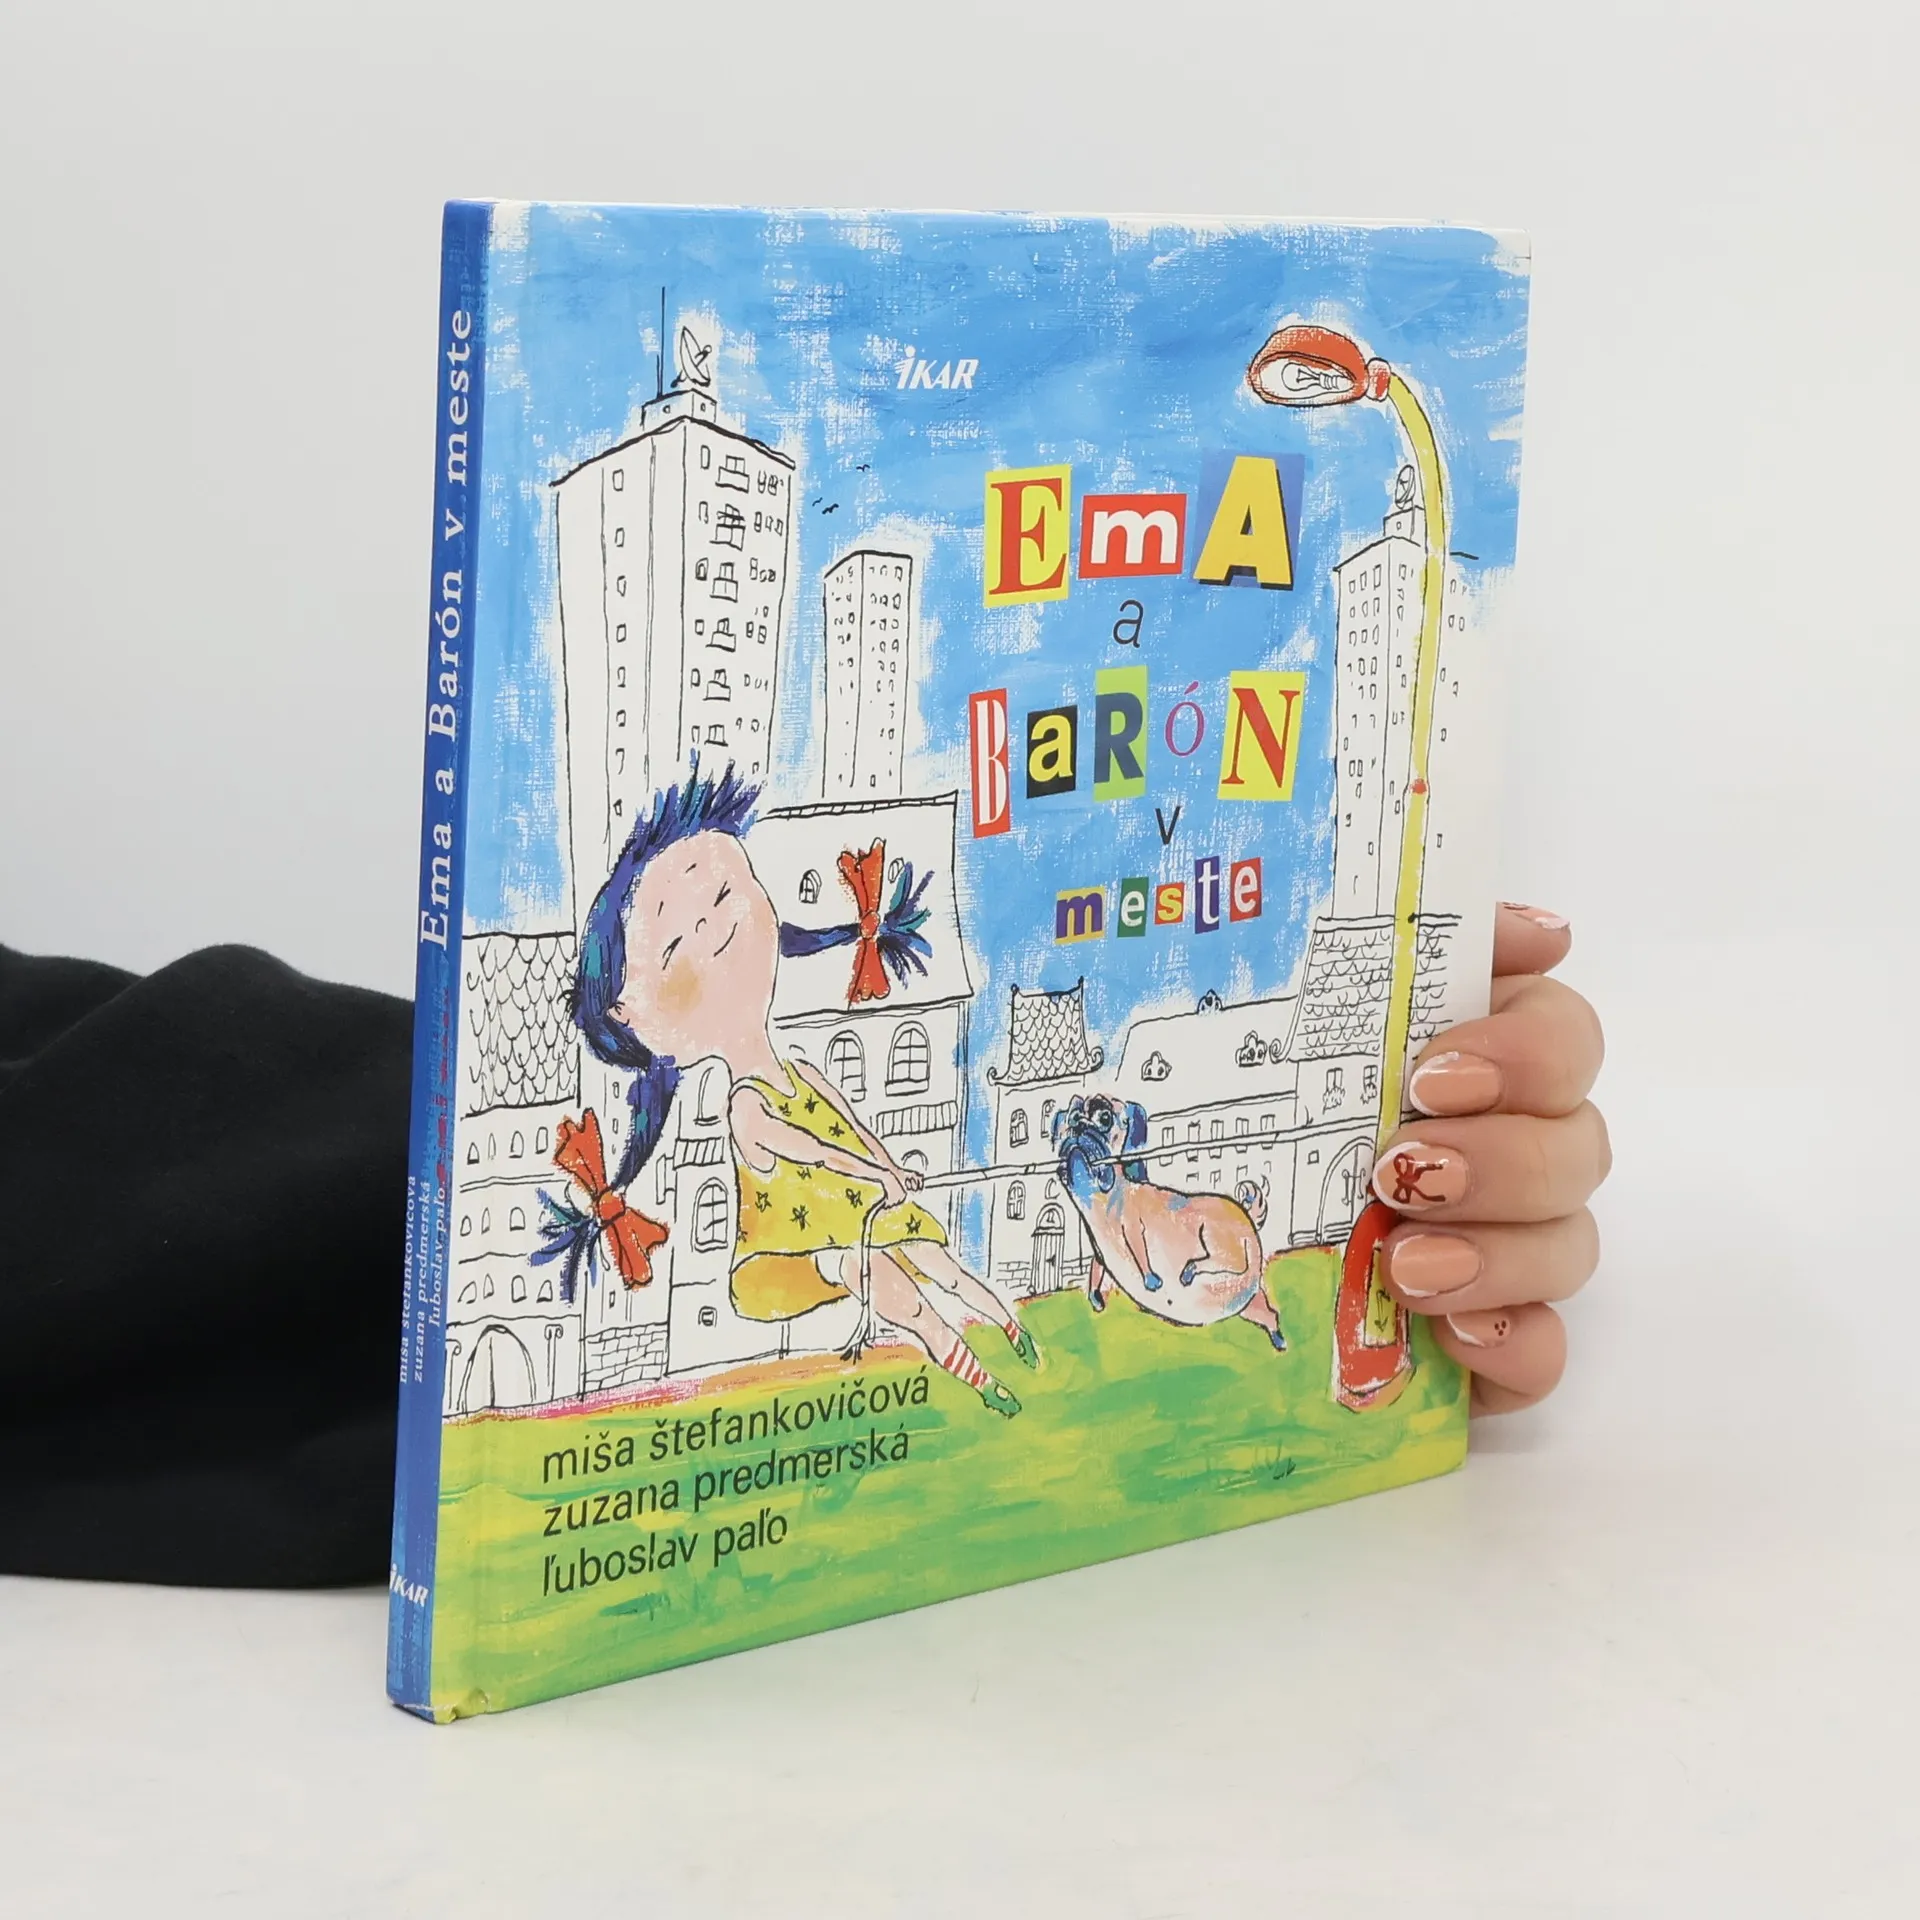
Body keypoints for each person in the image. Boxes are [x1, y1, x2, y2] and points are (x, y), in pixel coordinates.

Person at [0, 868, 1604, 1585]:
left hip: (826, 1223)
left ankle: (980, 1331)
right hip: (801, 1247)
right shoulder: (731, 1110)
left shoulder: (794, 1047)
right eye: (679, 928)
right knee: (917, 1286)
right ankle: (969, 1335)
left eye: (727, 900)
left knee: (942, 1280)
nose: (721, 920)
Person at [556, 763, 1040, 1417]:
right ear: (636, 1018)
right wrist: (876, 1173)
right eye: (672, 947)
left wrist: (890, 1167)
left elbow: (853, 1132)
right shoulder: (745, 1107)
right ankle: (988, 1387)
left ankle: (1012, 1329)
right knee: (900, 1292)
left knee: (938, 1260)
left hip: (856, 1209)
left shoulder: (805, 1073)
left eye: (726, 894)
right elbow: (815, 1151)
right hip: (786, 1256)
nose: (714, 928)